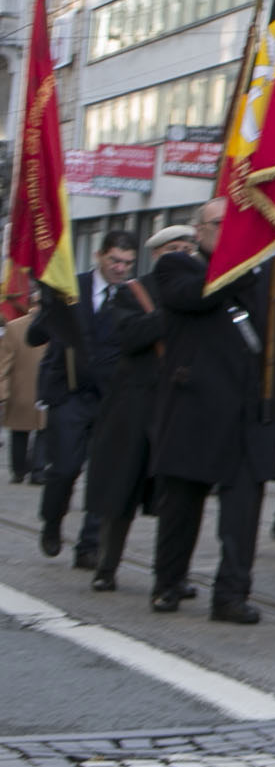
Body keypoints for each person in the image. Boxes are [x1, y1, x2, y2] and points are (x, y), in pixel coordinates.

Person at [145, 204, 275, 622]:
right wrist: (245, 263)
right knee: (181, 507)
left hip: (249, 414)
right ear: (199, 231)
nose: (227, 232)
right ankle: (168, 582)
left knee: (243, 514)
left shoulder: (264, 278)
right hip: (196, 408)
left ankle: (231, 594)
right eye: (218, 225)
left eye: (237, 226)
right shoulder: (178, 267)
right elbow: (194, 297)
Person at [30, 228, 138, 566]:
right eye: (114, 261)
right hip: (71, 394)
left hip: (111, 398)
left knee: (103, 475)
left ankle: (89, 546)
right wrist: (49, 306)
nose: (120, 268)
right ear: (99, 256)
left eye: (127, 263)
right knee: (63, 468)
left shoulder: (134, 296)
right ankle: (52, 521)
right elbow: (35, 337)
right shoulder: (70, 289)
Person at [83, 227, 179, 597]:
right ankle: (106, 566)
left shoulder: (204, 292)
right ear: (157, 255)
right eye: (174, 248)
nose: (183, 253)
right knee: (119, 494)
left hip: (176, 408)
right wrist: (170, 311)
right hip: (134, 410)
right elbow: (129, 335)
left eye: (187, 247)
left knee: (176, 499)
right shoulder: (132, 292)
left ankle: (170, 576)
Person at [1, 301, 42, 484]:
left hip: (27, 390)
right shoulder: (57, 325)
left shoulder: (14, 327)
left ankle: (27, 471)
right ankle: (30, 470)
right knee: (34, 431)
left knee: (26, 432)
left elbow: (3, 364)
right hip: (33, 389)